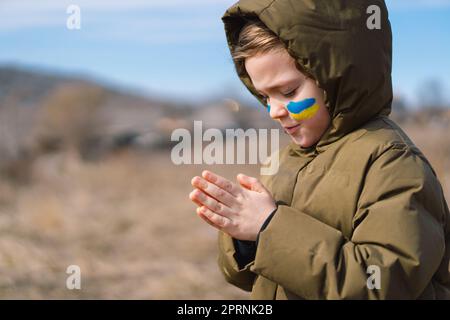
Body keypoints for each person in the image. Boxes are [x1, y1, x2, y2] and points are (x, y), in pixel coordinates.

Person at [189, 0, 450, 299]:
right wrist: (245, 237)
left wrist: (268, 228)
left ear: (337, 78)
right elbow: (255, 278)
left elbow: (382, 285)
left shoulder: (393, 164)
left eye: (288, 92)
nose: (274, 110)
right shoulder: (284, 161)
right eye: (264, 95)